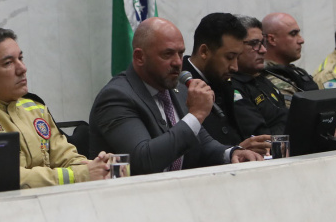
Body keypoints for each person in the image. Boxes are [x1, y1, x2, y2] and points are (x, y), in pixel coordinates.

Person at [89, 17, 261, 176]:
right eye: (167, 54)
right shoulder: (116, 97)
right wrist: (196, 115)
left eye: (180, 53)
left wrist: (231, 153)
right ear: (139, 57)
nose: (178, 62)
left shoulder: (176, 90)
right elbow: (144, 160)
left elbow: (204, 144)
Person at [0, 27, 110, 188]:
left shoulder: (34, 108)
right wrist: (78, 175)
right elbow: (0, 177)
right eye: (8, 63)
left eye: (20, 58)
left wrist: (99, 168)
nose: (23, 69)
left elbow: (66, 157)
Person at [181, 13, 271, 154]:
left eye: (237, 57)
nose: (235, 67)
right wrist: (233, 151)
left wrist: (242, 148)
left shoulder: (224, 80)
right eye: (229, 57)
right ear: (204, 51)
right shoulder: (178, 85)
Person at [230, 16, 288, 137]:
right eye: (254, 44)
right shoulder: (232, 87)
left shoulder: (261, 79)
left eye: (262, 43)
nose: (263, 50)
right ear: (235, 47)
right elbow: (261, 136)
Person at [261, 12, 319, 107]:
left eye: (298, 33)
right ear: (272, 40)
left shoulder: (292, 72)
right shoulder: (272, 80)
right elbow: (292, 120)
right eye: (293, 34)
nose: (301, 40)